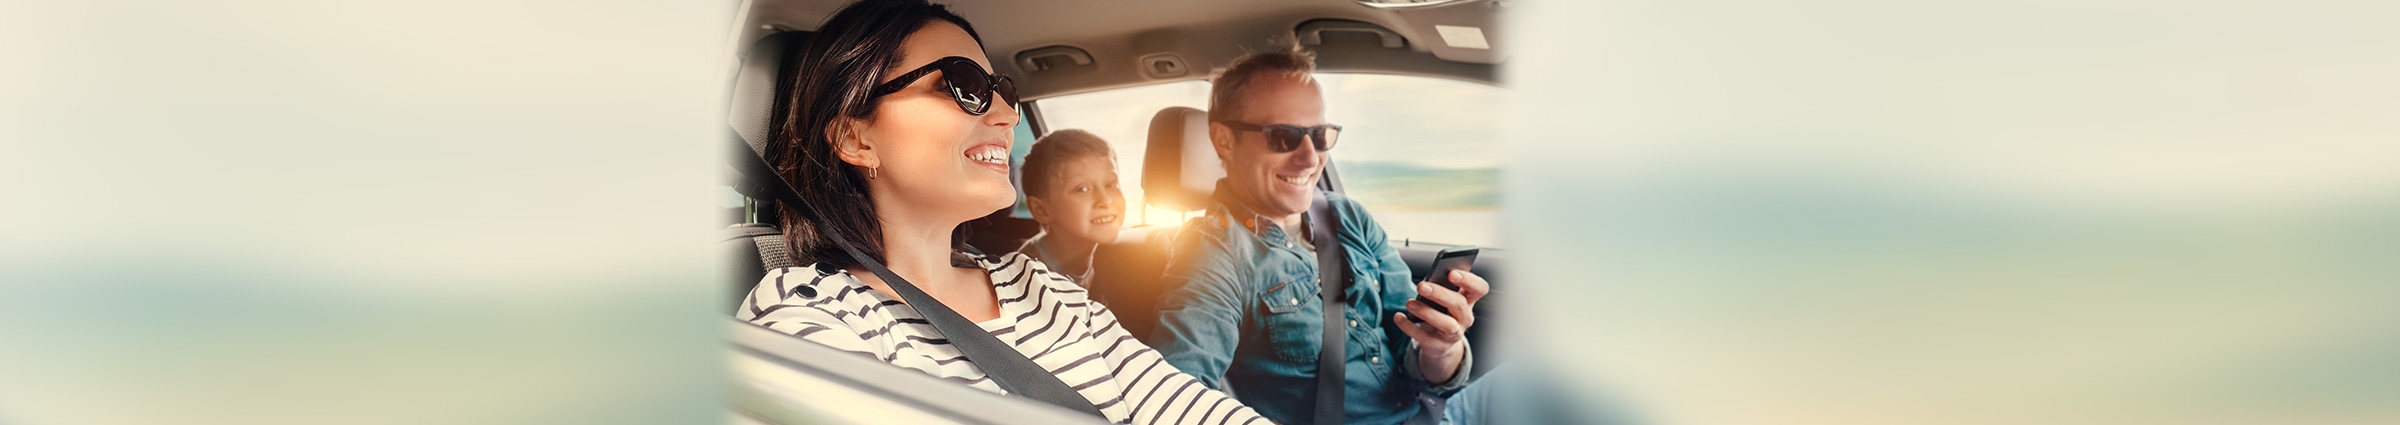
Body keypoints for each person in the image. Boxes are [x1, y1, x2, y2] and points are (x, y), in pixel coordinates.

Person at [734, 1, 1266, 424]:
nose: (1008, 113)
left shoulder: (1041, 288)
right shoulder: (811, 321)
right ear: (855, 137)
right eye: (963, 87)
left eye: (1002, 90)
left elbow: (1190, 409)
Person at [1145, 45, 1493, 425]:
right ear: (1225, 141)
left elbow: (1410, 344)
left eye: (1320, 135)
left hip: (1431, 412)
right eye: (1283, 136)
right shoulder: (1213, 252)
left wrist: (1442, 348)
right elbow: (1176, 395)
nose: (1310, 158)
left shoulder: (1348, 216)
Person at [1014, 129, 1125, 288]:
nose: (1105, 200)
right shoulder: (1029, 278)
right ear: (1041, 210)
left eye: (1111, 185)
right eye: (1082, 189)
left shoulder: (1104, 257)